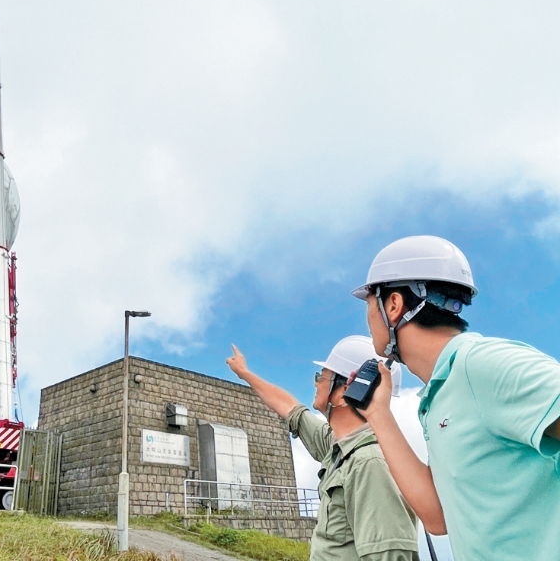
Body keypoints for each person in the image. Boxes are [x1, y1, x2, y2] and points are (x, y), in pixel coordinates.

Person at [351, 235, 560, 561]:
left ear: (393, 305)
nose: (367, 318)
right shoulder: (441, 394)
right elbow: (438, 516)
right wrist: (379, 414)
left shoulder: (481, 364)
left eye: (368, 304)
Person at [226, 337, 419, 561]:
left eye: (322, 377)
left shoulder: (369, 462)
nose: (316, 383)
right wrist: (244, 373)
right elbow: (291, 408)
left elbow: (391, 555)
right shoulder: (337, 447)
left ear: (346, 391)